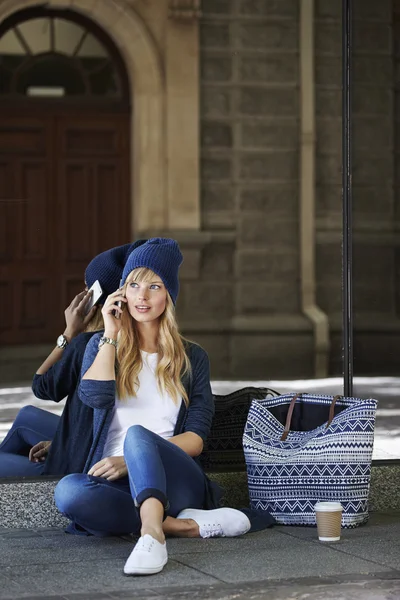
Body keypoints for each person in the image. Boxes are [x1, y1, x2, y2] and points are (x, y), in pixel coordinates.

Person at [54, 238, 250, 576]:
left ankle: (151, 535)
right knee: (68, 492)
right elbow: (95, 398)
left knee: (138, 437)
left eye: (154, 286)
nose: (142, 296)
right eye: (134, 285)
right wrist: (111, 334)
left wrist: (131, 458)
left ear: (169, 295)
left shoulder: (193, 358)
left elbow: (196, 439)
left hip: (177, 479)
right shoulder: (102, 347)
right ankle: (179, 526)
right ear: (122, 293)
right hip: (115, 482)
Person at [0, 241, 146, 477]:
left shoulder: (88, 344)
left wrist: (69, 332)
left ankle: (30, 496)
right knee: (27, 415)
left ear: (98, 299)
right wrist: (55, 442)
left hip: (74, 465)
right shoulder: (142, 340)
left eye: (88, 288)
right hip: (90, 442)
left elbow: (41, 385)